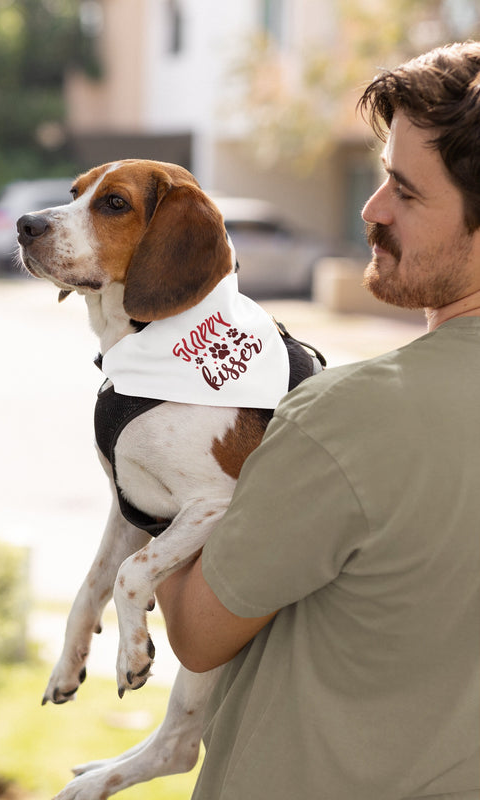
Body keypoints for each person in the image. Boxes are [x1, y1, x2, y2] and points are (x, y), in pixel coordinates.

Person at [157, 41, 480, 800]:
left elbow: (198, 634)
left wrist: (148, 450)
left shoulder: (353, 418)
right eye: (380, 177)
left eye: (404, 190)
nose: (371, 210)